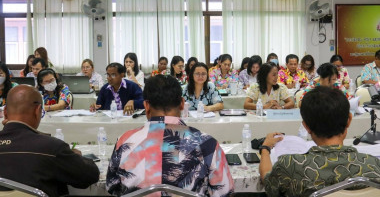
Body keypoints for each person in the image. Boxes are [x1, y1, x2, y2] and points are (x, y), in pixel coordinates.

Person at [106, 75, 234, 196]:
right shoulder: (207, 144)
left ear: (146, 106)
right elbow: (224, 191)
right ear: (182, 104)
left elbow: (112, 186)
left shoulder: (124, 140)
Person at [259, 86, 380, 197]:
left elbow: (268, 182)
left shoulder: (290, 165)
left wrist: (265, 148)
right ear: (349, 120)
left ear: (306, 127)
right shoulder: (373, 164)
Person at [0, 85, 99, 197]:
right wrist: (76, 157)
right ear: (37, 111)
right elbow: (90, 175)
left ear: (5, 113)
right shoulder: (51, 148)